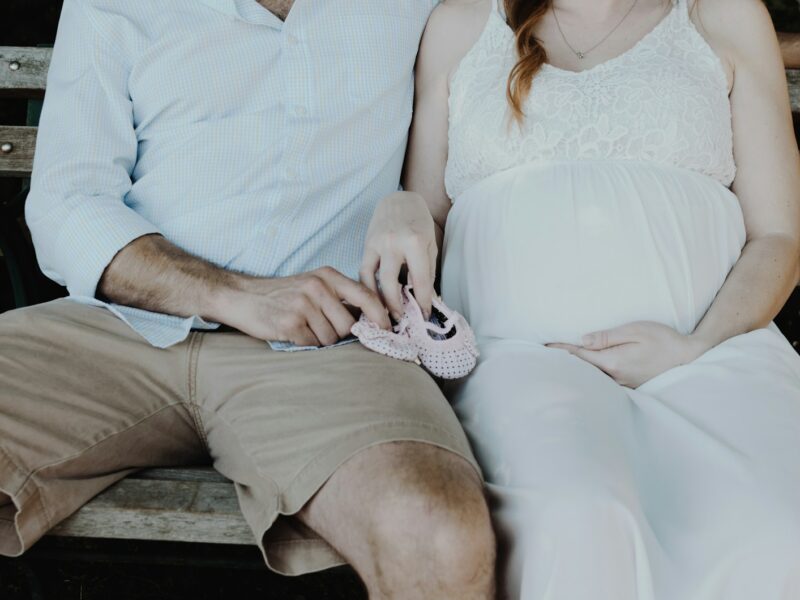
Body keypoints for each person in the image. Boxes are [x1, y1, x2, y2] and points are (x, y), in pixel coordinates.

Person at [0, 1, 497, 597]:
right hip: (115, 332)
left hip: (332, 347)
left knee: (439, 537)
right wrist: (236, 295)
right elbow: (66, 203)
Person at [363, 0, 800, 597]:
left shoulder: (722, 14)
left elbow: (779, 236)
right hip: (519, 359)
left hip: (713, 353)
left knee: (775, 527)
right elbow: (428, 214)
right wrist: (400, 207)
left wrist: (696, 346)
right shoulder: (461, 25)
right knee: (578, 517)